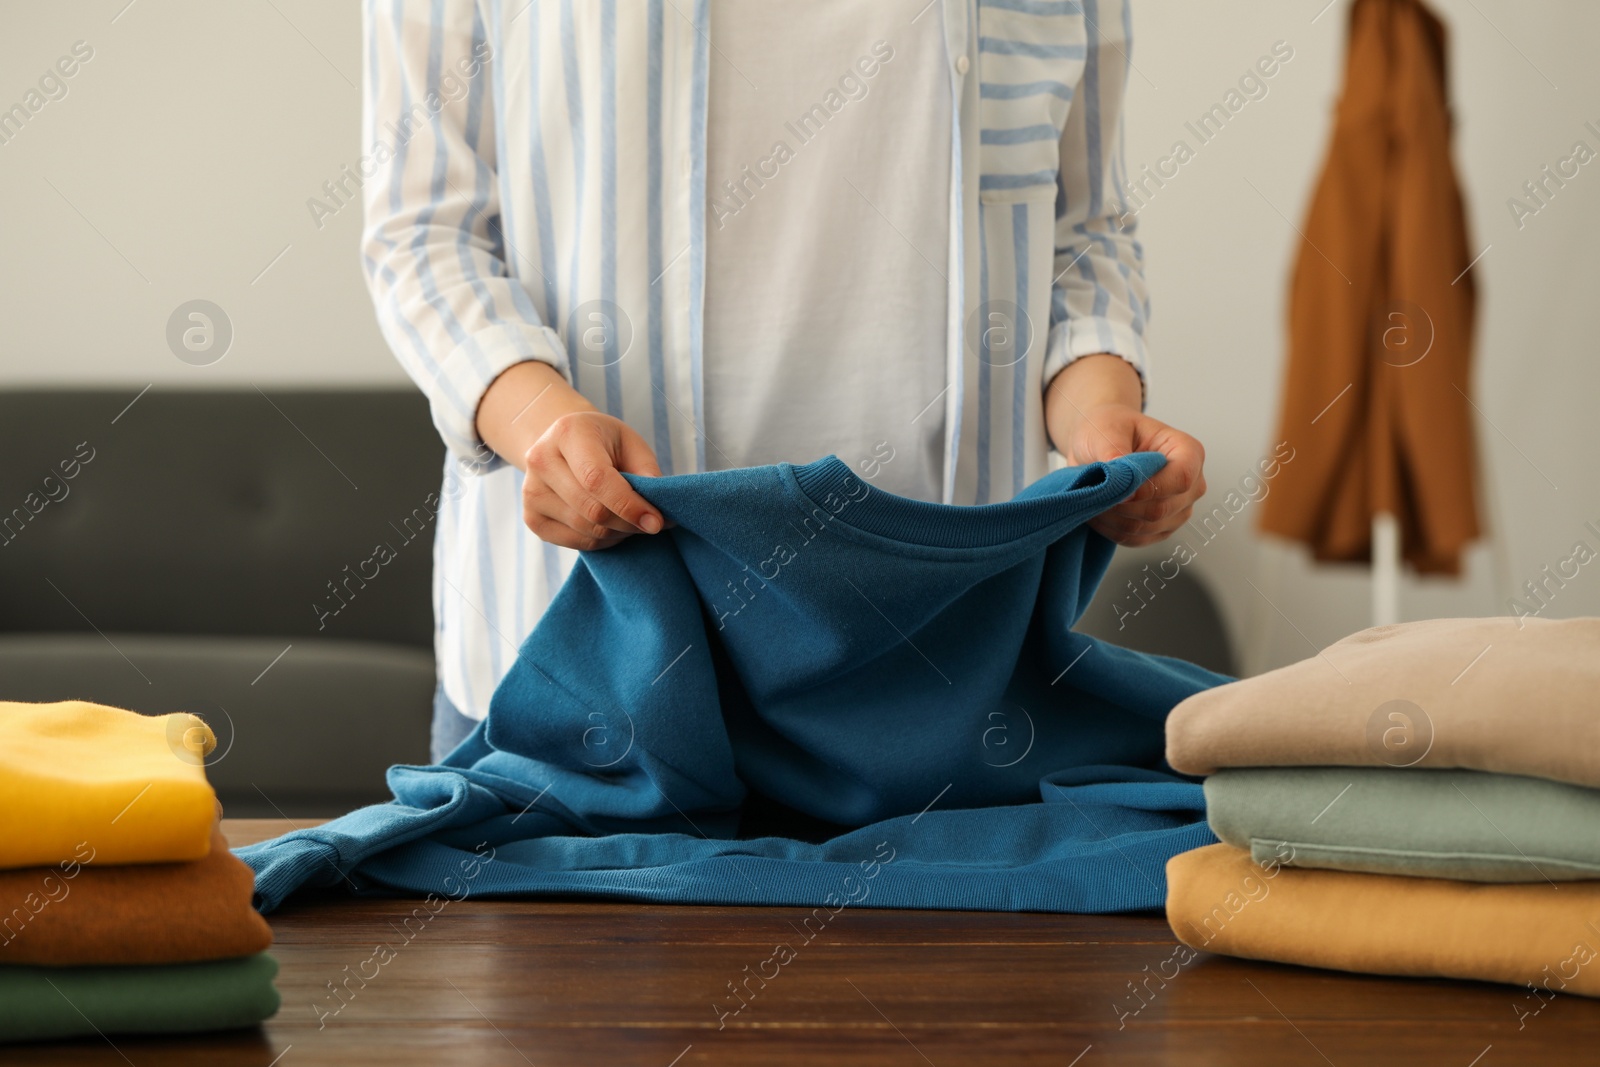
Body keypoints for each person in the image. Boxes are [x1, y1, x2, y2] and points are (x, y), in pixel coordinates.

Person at [359, 0, 1207, 763]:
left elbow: (1082, 231)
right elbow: (427, 229)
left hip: (940, 684)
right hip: (577, 673)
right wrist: (544, 423)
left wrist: (1100, 411)